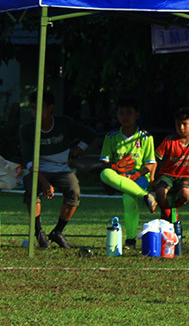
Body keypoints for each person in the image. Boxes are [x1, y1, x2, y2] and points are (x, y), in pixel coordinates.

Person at [18, 90, 96, 249]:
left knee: (74, 189)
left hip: (62, 170)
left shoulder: (63, 123)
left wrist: (74, 153)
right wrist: (44, 181)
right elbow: (27, 161)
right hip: (36, 171)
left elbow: (90, 134)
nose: (35, 112)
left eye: (39, 108)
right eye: (33, 108)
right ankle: (38, 232)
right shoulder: (27, 129)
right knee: (32, 189)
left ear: (50, 107)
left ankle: (58, 232)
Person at [99, 97, 156, 248]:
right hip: (118, 176)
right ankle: (146, 196)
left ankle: (130, 240)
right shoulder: (111, 137)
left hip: (140, 177)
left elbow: (150, 164)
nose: (125, 117)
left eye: (129, 113)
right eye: (121, 113)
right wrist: (117, 168)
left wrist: (135, 176)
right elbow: (104, 162)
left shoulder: (146, 137)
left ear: (136, 115)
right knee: (104, 174)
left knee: (128, 196)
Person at [145, 107, 189, 219]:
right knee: (161, 192)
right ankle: (166, 211)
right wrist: (152, 178)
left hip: (185, 176)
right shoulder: (170, 139)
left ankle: (171, 210)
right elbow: (155, 159)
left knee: (185, 194)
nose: (181, 128)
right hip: (167, 174)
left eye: (184, 124)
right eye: (178, 124)